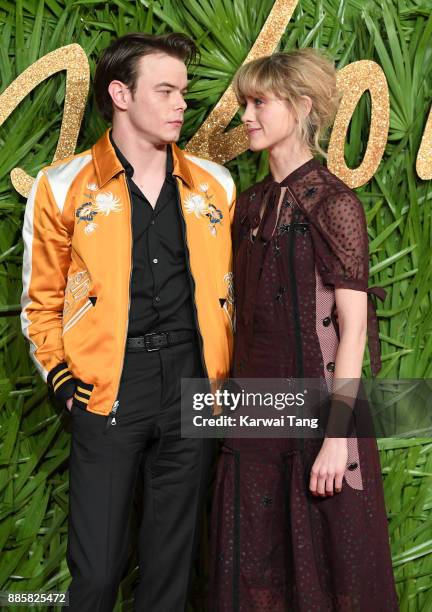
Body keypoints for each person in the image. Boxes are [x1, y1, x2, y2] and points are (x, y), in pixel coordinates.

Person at [20, 32, 235, 611]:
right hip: (108, 385)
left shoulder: (214, 187)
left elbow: (230, 295)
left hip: (194, 387)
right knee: (96, 574)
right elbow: (39, 302)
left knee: (170, 575)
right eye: (165, 90)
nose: (180, 105)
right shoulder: (61, 186)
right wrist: (65, 386)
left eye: (183, 92)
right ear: (120, 93)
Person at [209, 49, 399, 611]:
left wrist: (337, 440)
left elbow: (354, 332)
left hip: (320, 423)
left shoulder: (336, 204)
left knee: (326, 578)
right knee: (251, 577)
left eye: (259, 103)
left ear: (302, 107)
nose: (246, 115)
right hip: (253, 418)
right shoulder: (249, 204)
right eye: (245, 102)